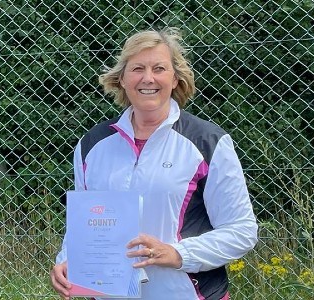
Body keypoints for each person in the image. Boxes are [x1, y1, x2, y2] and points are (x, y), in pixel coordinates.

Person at [50, 28, 258, 300]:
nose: (148, 78)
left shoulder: (208, 142)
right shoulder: (92, 144)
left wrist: (177, 254)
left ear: (175, 78)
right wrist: (67, 260)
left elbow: (242, 230)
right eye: (137, 68)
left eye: (159, 68)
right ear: (122, 79)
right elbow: (83, 225)